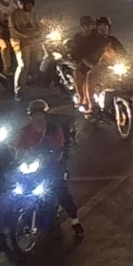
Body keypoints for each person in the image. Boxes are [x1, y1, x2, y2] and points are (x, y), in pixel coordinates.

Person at [16, 99, 83, 242]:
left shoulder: (54, 129)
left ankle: (75, 222)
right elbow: (20, 149)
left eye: (40, 114)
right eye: (35, 115)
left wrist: (54, 161)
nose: (37, 117)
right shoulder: (26, 131)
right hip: (33, 166)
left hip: (51, 166)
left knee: (61, 192)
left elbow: (59, 149)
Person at [8, 0, 46, 94]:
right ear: (21, 4)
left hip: (33, 41)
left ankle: (35, 77)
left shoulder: (33, 13)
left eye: (30, 4)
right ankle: (18, 89)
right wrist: (28, 36)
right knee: (23, 65)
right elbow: (16, 30)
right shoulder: (15, 15)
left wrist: (45, 28)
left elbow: (38, 25)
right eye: (27, 4)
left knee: (39, 59)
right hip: (20, 42)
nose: (29, 6)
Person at [66, 17, 104, 112]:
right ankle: (83, 99)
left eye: (89, 25)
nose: (88, 27)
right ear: (82, 27)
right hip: (83, 64)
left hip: (97, 63)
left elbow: (102, 49)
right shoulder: (78, 39)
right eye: (86, 25)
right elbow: (79, 55)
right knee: (79, 77)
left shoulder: (96, 37)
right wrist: (90, 65)